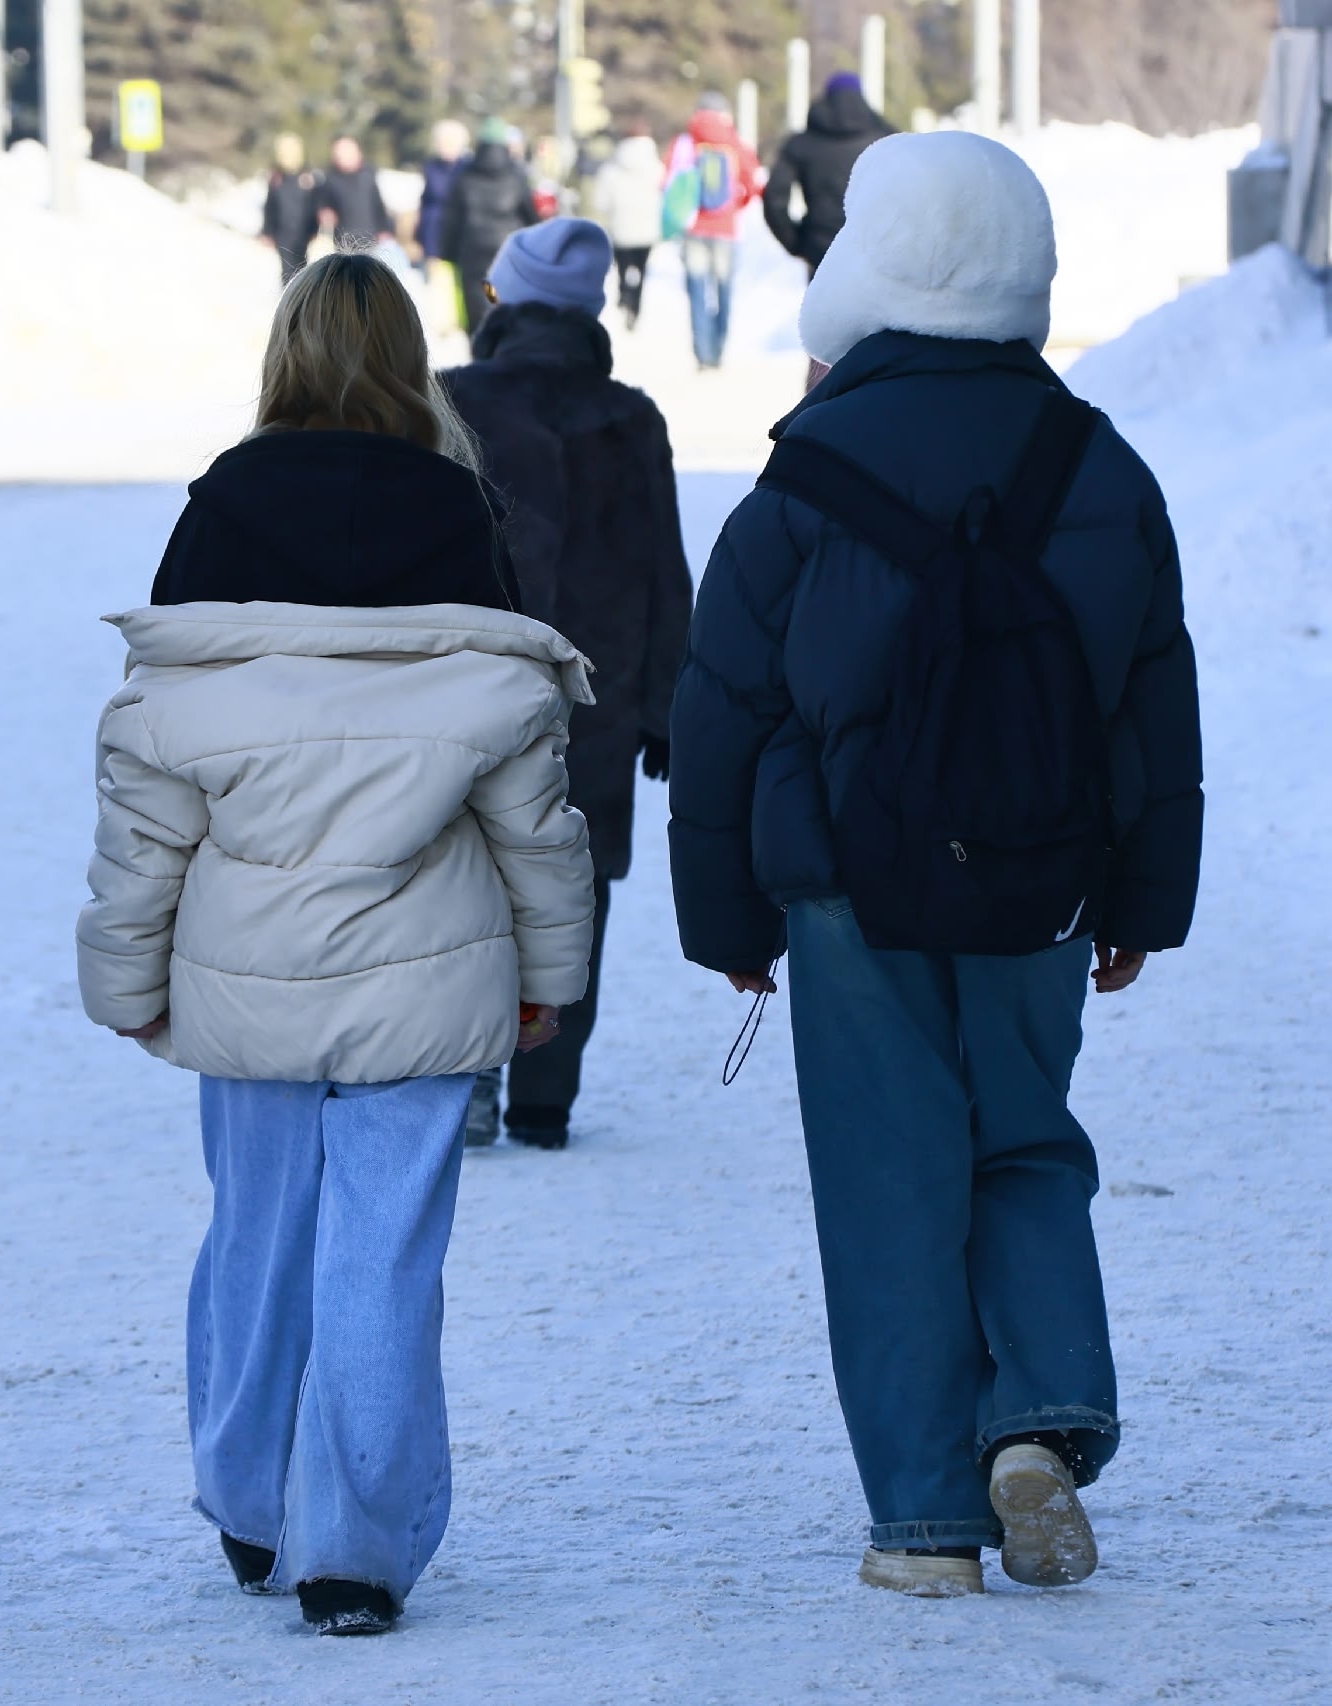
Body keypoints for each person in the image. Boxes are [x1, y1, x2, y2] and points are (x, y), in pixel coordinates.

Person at [668, 133, 1202, 1599]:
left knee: (891, 1173)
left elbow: (722, 709)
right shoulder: (1097, 460)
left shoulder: (804, 472)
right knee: (1026, 1137)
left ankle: (922, 1521)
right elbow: (1155, 691)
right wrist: (1145, 895)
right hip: (1042, 877)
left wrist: (725, 914)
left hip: (850, 888)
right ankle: (1036, 1419)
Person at [81, 253, 595, 1638]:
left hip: (247, 965)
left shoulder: (220, 510)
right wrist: (552, 974)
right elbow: (527, 798)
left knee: (257, 1232)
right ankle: (351, 1546)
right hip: (424, 962)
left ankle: (252, 1502)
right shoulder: (458, 515)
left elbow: (154, 780)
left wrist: (128, 972)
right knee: (385, 1249)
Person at [441, 219, 692, 1149]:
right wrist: (666, 709)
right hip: (601, 696)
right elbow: (667, 572)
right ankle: (545, 1098)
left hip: (466, 687)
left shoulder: (453, 400)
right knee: (571, 895)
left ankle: (463, 1070)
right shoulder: (631, 417)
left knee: (460, 879)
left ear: (500, 301)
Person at [665, 92, 763, 370]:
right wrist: (736, 205)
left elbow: (669, 183)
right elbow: (753, 182)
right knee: (724, 289)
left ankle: (702, 353)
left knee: (697, 289)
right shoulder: (736, 144)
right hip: (726, 229)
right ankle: (718, 349)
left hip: (693, 227)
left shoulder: (684, 143)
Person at [763, 72, 897, 276]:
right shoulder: (887, 140)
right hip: (874, 246)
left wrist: (797, 242)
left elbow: (774, 196)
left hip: (820, 248)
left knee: (825, 307)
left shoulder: (802, 144)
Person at [438, 118, 540, 331]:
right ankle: (504, 341)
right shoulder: (516, 175)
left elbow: (452, 217)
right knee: (503, 297)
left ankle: (481, 345)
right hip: (507, 248)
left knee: (477, 301)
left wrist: (448, 252)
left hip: (473, 247)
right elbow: (530, 214)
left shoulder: (464, 174)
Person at [591, 121, 667, 329]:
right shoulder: (656, 166)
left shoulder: (612, 167)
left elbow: (601, 201)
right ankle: (636, 307)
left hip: (621, 227)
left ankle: (624, 294)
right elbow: (665, 195)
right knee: (641, 268)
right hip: (647, 228)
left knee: (623, 266)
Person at [260, 132, 320, 282]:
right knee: (287, 270)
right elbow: (270, 206)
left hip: (304, 231)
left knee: (304, 268)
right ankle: (290, 299)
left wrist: (315, 228)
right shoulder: (276, 177)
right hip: (283, 232)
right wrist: (267, 231)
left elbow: (315, 204)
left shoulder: (309, 176)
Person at [314, 136, 392, 251]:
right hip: (343, 242)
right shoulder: (329, 180)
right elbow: (322, 205)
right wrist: (325, 214)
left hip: (370, 240)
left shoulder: (369, 176)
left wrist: (385, 229)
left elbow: (378, 206)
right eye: (338, 152)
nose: (341, 155)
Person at [415, 119, 472, 268]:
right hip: (433, 235)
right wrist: (420, 234)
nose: (445, 146)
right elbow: (425, 201)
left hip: (459, 236)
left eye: (450, 142)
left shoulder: (468, 169)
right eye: (442, 142)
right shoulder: (431, 167)